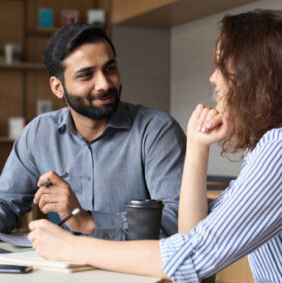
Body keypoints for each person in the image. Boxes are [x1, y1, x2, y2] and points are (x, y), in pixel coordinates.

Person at [28, 9, 282, 283]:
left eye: (221, 65)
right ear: (57, 87)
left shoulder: (277, 147)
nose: (213, 79)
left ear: (254, 72)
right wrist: (197, 145)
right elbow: (194, 235)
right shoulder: (265, 147)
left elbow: (190, 257)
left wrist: (72, 246)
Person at [0, 23, 186, 239]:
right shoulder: (38, 134)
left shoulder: (157, 131)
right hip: (65, 268)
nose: (104, 84)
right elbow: (5, 204)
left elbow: (177, 221)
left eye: (110, 69)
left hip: (137, 270)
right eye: (86, 75)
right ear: (58, 87)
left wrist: (89, 221)